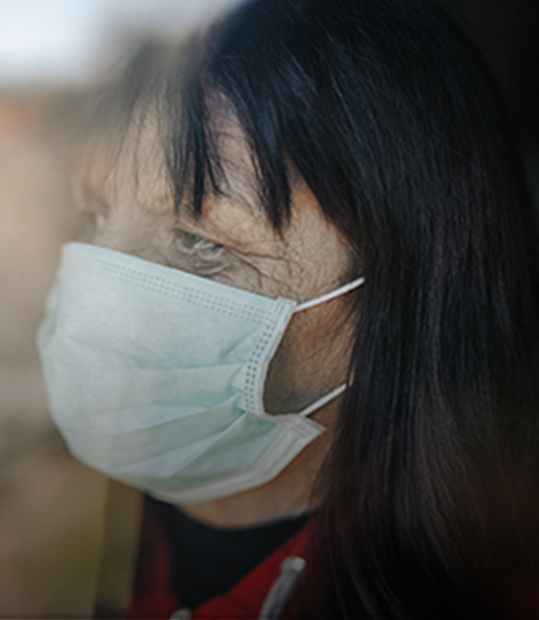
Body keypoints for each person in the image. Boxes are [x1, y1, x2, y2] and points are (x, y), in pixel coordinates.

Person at [36, 0, 539, 617]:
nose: (102, 294)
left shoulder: (486, 600)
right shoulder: (24, 538)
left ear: (391, 304)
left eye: (200, 241)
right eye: (93, 215)